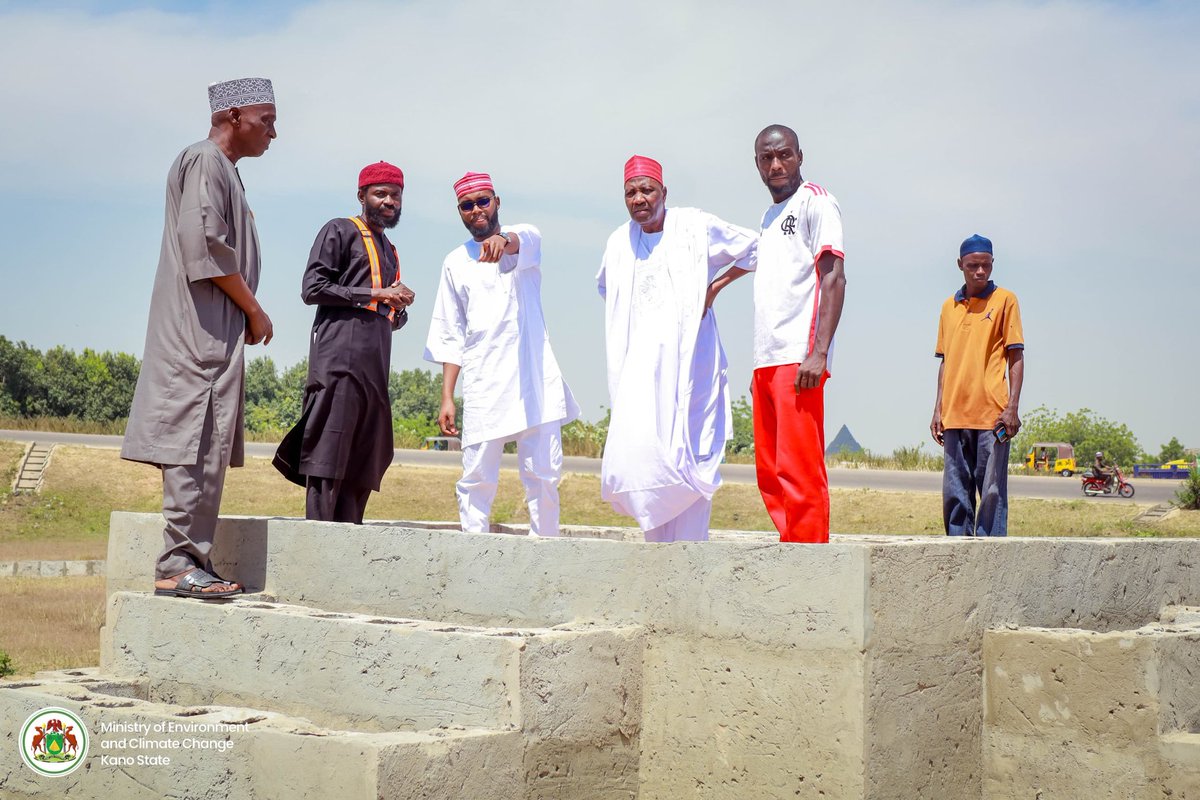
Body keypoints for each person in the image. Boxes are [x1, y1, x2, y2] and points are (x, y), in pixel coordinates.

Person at [121, 78, 277, 599]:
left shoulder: (223, 170)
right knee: (191, 439)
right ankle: (177, 564)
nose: (273, 132)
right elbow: (203, 244)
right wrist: (254, 310)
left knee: (206, 442)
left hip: (213, 331)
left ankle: (191, 561)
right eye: (266, 120)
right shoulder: (205, 161)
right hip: (197, 333)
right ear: (233, 115)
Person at [597, 155, 757, 542]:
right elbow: (606, 287)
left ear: (664, 192)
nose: (639, 199)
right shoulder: (619, 241)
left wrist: (714, 287)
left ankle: (690, 557)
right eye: (631, 192)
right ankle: (658, 565)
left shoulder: (694, 226)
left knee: (693, 451)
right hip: (640, 374)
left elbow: (756, 248)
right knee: (645, 459)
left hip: (691, 366)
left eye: (647, 190)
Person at [424, 172, 578, 536]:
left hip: (534, 380)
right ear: (459, 211)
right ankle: (474, 558)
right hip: (484, 382)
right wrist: (447, 396)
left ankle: (546, 556)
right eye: (467, 205)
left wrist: (503, 240)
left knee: (543, 475)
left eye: (483, 201)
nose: (476, 210)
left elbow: (522, 241)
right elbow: (451, 333)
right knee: (476, 478)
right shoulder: (454, 262)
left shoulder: (524, 238)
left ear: (497, 202)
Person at [272, 162, 415, 522]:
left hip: (375, 366)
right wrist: (378, 293)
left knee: (366, 455)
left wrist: (396, 310)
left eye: (395, 195)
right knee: (329, 451)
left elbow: (378, 308)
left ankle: (349, 541)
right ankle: (320, 541)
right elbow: (313, 288)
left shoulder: (390, 248)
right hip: (338, 362)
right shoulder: (339, 230)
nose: (389, 201)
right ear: (361, 196)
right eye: (380, 193)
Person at [750, 124, 846, 544]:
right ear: (757, 165)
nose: (776, 164)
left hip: (798, 359)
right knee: (770, 473)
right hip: (765, 360)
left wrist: (819, 353)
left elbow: (834, 279)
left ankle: (812, 564)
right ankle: (792, 554)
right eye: (767, 158)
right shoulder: (770, 217)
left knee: (799, 469)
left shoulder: (816, 203)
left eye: (784, 155)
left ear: (800, 156)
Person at [930, 234, 1025, 537]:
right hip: (955, 414)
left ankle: (991, 557)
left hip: (992, 415)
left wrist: (1012, 408)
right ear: (960, 265)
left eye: (986, 265)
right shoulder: (948, 306)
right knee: (956, 493)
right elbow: (945, 361)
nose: (980, 272)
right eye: (973, 266)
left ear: (992, 263)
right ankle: (958, 554)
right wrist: (938, 408)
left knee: (992, 492)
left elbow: (1016, 355)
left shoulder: (1005, 300)